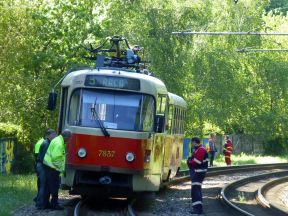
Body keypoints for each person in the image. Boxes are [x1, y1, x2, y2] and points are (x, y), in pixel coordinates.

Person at [43, 129, 72, 210]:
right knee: (54, 187)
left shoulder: (57, 139)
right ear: (66, 137)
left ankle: (46, 204)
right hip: (53, 168)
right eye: (69, 138)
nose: (69, 140)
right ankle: (54, 205)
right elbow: (56, 158)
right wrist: (59, 169)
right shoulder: (59, 143)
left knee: (48, 187)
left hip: (49, 166)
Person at [35, 129, 57, 210]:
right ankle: (40, 204)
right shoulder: (46, 144)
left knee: (45, 185)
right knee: (43, 186)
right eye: (54, 135)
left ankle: (45, 203)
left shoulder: (48, 143)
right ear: (49, 135)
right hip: (42, 166)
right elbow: (45, 159)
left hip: (44, 166)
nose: (55, 136)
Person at [187, 137, 208, 215]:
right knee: (196, 190)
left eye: (192, 143)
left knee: (195, 191)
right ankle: (198, 209)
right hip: (198, 172)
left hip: (198, 173)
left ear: (195, 142)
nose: (192, 144)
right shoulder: (199, 149)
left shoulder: (201, 150)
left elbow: (197, 162)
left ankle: (198, 210)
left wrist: (189, 161)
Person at [33, 135, 45, 203]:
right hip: (40, 165)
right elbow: (37, 156)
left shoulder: (40, 142)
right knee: (41, 183)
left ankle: (38, 197)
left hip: (38, 165)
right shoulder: (41, 143)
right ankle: (38, 199)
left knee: (40, 183)